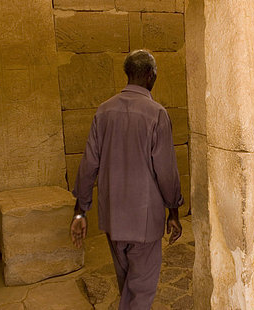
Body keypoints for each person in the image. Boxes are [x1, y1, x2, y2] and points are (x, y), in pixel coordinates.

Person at [70, 49, 184, 310]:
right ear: (150, 75)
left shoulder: (104, 111)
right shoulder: (157, 114)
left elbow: (89, 164)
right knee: (141, 293)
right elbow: (166, 170)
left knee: (127, 287)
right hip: (144, 221)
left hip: (113, 218)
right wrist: (174, 211)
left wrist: (80, 211)